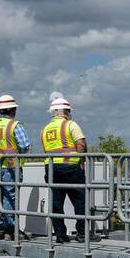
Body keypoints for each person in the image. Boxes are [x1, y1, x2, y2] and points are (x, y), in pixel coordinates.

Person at [41, 94, 90, 243]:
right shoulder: (71, 125)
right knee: (80, 201)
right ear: (65, 111)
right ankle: (82, 234)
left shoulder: (45, 129)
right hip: (71, 168)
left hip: (51, 169)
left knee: (56, 202)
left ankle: (60, 235)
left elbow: (46, 150)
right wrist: (81, 161)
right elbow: (81, 144)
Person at [0, 94, 30, 239]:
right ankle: (11, 229)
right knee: (10, 198)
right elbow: (24, 146)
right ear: (13, 110)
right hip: (11, 167)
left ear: (0, 110)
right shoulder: (14, 125)